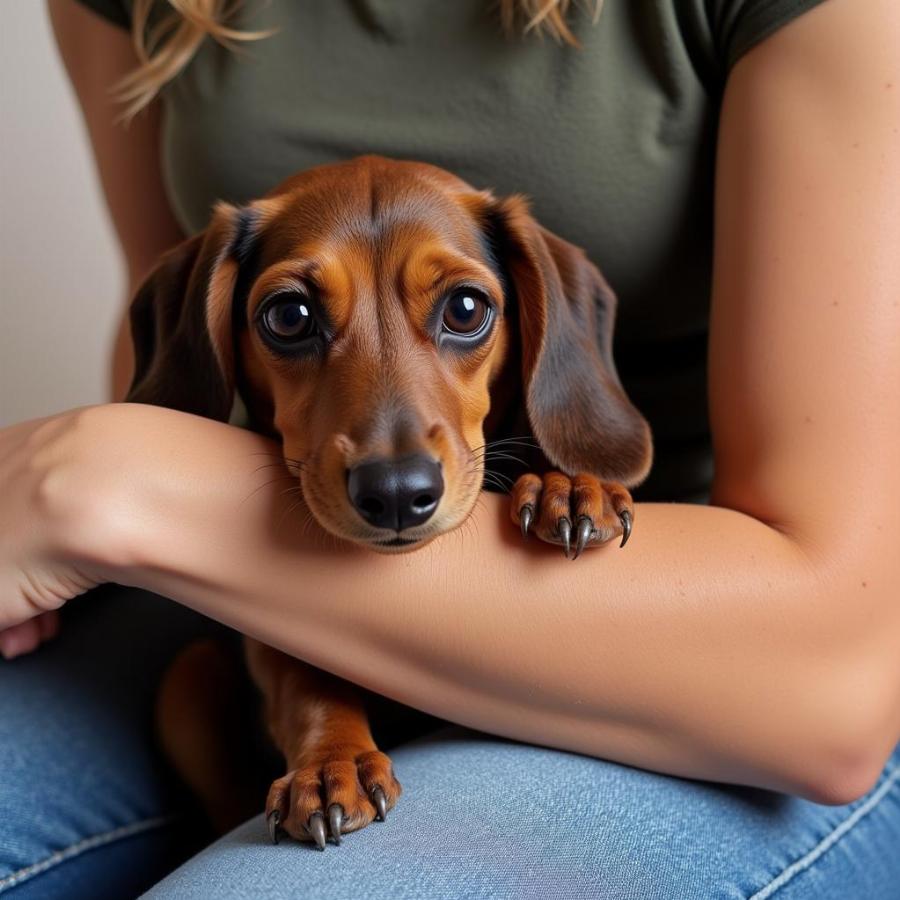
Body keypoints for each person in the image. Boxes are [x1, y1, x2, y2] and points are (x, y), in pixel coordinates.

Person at [1, 0, 898, 896]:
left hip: (691, 652)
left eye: (463, 312)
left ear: (538, 323)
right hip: (262, 583)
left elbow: (842, 681)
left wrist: (101, 483)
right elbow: (167, 380)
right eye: (294, 316)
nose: (397, 459)